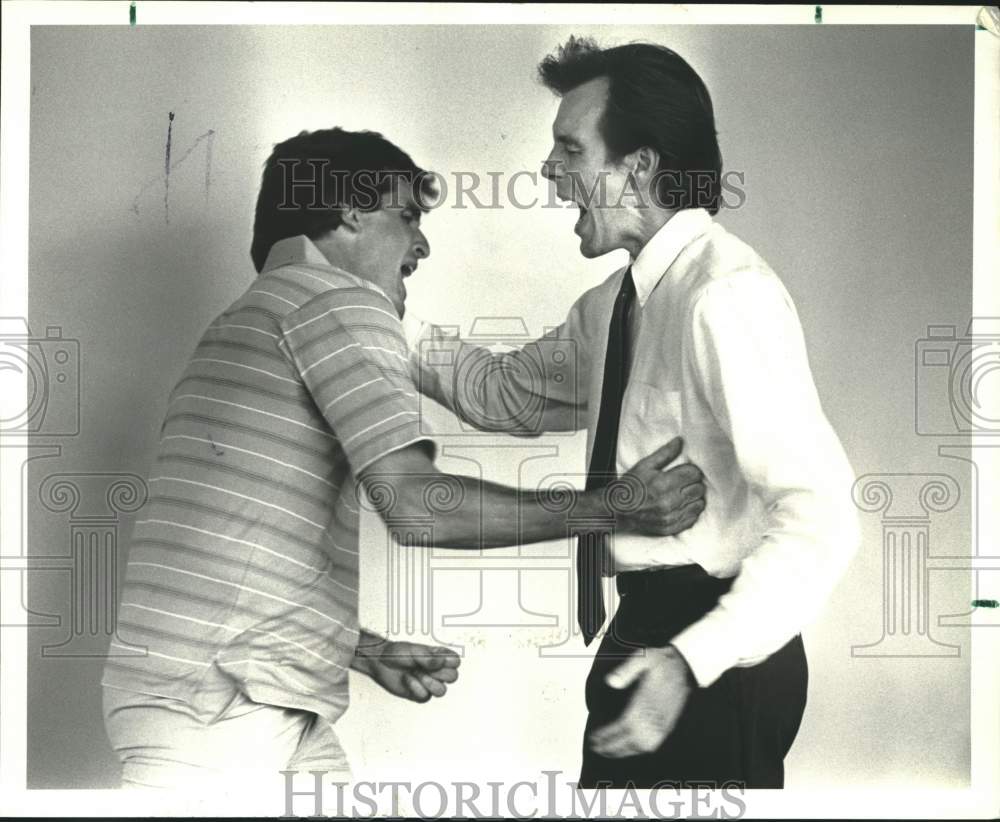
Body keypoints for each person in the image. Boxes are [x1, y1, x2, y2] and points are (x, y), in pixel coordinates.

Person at [101, 126, 707, 795]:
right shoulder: (335, 302)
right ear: (352, 210)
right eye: (409, 216)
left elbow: (230, 546)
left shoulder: (250, 318)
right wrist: (608, 507)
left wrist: (355, 647)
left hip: (230, 699)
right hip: (220, 714)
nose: (422, 244)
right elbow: (418, 506)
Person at [410, 37, 860, 788]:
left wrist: (691, 662)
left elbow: (825, 519)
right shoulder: (614, 308)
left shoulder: (725, 297)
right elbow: (507, 394)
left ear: (640, 166)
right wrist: (364, 314)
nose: (549, 171)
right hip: (643, 632)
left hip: (709, 654)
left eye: (569, 149)